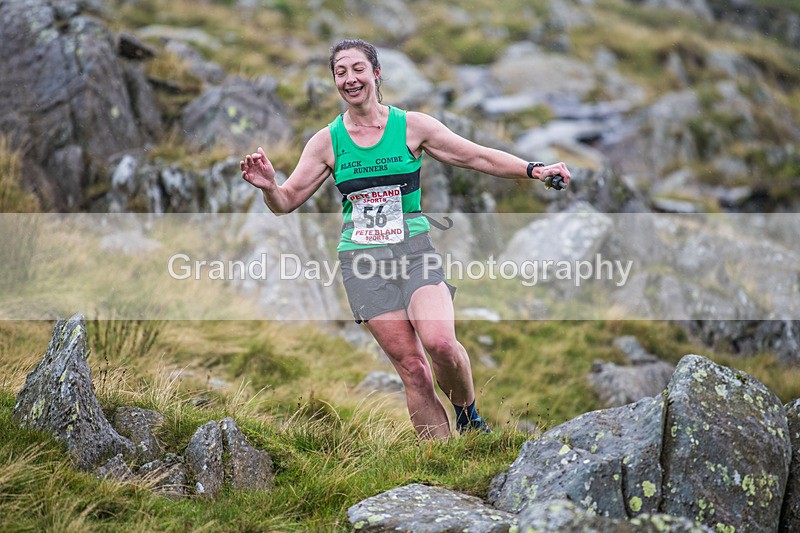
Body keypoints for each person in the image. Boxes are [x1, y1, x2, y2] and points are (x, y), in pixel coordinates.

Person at [240, 39, 571, 439]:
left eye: (357, 69)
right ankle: (442, 462)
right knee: (413, 370)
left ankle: (468, 417)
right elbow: (286, 201)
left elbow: (476, 156)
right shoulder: (327, 142)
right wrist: (268, 186)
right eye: (340, 72)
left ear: (376, 74)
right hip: (362, 264)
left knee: (441, 344)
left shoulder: (412, 126)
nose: (350, 78)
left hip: (414, 253)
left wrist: (534, 169)